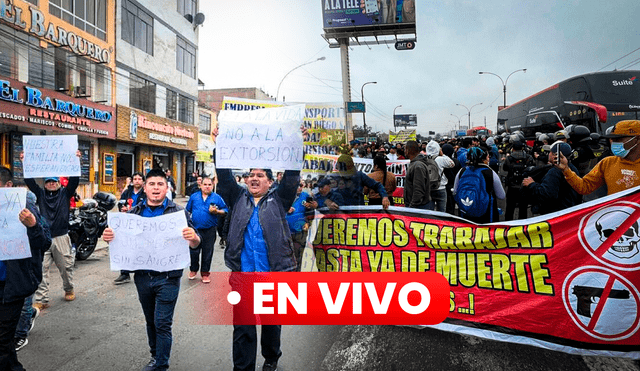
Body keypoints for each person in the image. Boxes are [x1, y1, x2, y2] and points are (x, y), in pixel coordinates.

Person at [102, 168, 200, 371]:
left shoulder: (179, 213)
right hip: (143, 277)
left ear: (167, 188)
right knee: (150, 320)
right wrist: (109, 237)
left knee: (162, 322)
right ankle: (155, 355)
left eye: (160, 184)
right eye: (152, 184)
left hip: (169, 277)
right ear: (144, 188)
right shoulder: (134, 213)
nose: (156, 188)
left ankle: (161, 365)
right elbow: (119, 240)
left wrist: (193, 238)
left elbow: (196, 243)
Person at [216, 166, 298, 371]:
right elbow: (225, 179)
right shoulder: (237, 198)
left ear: (270, 182)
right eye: (251, 175)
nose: (254, 178)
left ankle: (271, 357)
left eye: (260, 176)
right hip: (242, 276)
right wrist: (221, 148)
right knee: (243, 326)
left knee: (271, 322)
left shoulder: (279, 200)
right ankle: (243, 367)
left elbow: (290, 181)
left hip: (271, 275)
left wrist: (297, 147)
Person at [0, 166, 51, 369]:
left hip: (11, 286)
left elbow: (45, 242)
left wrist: (32, 225)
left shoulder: (26, 206)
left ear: (8, 186)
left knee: (3, 342)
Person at [22, 151, 80, 309]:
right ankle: (41, 299)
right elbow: (30, 181)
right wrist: (25, 162)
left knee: (66, 268)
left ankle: (69, 289)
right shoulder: (40, 194)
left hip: (61, 237)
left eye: (54, 182)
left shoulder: (65, 193)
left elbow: (75, 180)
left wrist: (76, 160)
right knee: (42, 269)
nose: (51, 184)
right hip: (44, 237)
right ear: (45, 183)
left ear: (58, 183)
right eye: (48, 182)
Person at [556, 120, 640, 196]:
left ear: (637, 139)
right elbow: (584, 187)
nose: (614, 143)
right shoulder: (607, 163)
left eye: (618, 139)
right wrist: (566, 170)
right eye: (612, 139)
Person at [185, 176, 228, 283]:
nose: (207, 187)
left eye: (210, 185)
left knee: (207, 252)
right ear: (200, 185)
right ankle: (193, 269)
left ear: (213, 186)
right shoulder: (194, 197)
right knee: (194, 251)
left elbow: (226, 210)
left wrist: (217, 212)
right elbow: (187, 211)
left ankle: (205, 273)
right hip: (195, 229)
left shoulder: (217, 198)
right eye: (205, 184)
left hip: (210, 230)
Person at [522, 141, 582, 215]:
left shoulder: (555, 171)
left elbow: (547, 194)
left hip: (555, 214)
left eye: (550, 152)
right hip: (570, 211)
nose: (549, 154)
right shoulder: (572, 168)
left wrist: (531, 184)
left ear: (555, 156)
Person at [453, 147, 505, 223]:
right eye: (487, 157)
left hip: (465, 213)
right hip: (486, 214)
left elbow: (455, 191)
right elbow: (501, 195)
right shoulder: (490, 173)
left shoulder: (462, 171)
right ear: (483, 159)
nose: (489, 159)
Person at [114, 172, 147, 285]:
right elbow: (121, 203)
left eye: (139, 179)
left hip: (140, 223)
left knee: (140, 248)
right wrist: (122, 208)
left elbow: (146, 206)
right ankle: (124, 273)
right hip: (127, 223)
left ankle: (142, 270)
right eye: (135, 179)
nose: (137, 181)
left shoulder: (146, 193)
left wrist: (134, 209)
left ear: (143, 181)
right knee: (125, 247)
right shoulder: (127, 192)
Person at [286, 180, 314, 271]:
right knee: (286, 256)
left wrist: (308, 224)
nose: (299, 187)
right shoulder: (285, 196)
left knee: (298, 255)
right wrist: (285, 208)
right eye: (297, 185)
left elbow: (312, 211)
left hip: (299, 232)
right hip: (285, 231)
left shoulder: (306, 196)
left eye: (301, 185)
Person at [503, 140, 534, 221]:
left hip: (511, 187)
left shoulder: (509, 158)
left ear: (513, 148)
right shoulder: (528, 158)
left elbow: (504, 168)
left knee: (510, 208)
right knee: (523, 208)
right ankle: (522, 227)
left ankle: (508, 227)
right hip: (524, 186)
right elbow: (532, 169)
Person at [425, 141, 454, 212]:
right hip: (441, 188)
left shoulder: (424, 159)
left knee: (430, 212)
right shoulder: (441, 159)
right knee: (442, 212)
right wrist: (442, 154)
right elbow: (452, 164)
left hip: (429, 188)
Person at [404, 140, 431, 209]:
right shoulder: (415, 164)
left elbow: (418, 191)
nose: (404, 151)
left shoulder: (417, 166)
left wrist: (412, 207)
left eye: (405, 149)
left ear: (408, 150)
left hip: (418, 207)